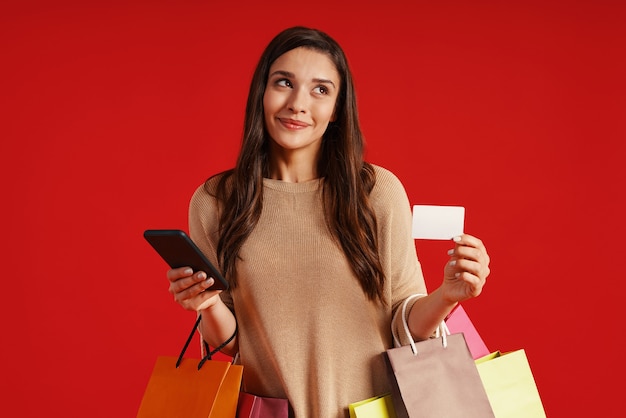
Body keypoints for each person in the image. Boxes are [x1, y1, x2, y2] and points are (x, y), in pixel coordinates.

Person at [166, 26, 490, 418]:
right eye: (284, 82)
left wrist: (448, 295)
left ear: (337, 109)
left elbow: (406, 323)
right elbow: (233, 345)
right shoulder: (216, 202)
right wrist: (207, 304)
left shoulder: (377, 193)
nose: (298, 103)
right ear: (261, 93)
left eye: (320, 89)